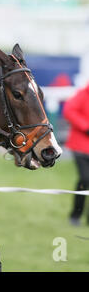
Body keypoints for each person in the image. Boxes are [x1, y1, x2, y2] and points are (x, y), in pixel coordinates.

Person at [63, 84, 89, 226]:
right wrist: (85, 126)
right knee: (85, 179)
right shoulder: (83, 94)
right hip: (80, 147)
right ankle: (75, 215)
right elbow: (69, 110)